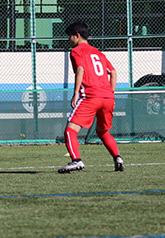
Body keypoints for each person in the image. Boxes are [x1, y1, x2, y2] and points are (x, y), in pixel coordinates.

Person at [58, 21, 125, 173]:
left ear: (77, 36)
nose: (69, 40)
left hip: (90, 96)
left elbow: (80, 69)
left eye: (70, 37)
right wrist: (111, 93)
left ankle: (76, 160)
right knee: (103, 132)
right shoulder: (98, 53)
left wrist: (75, 93)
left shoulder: (76, 51)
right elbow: (113, 73)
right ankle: (118, 158)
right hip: (107, 98)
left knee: (70, 131)